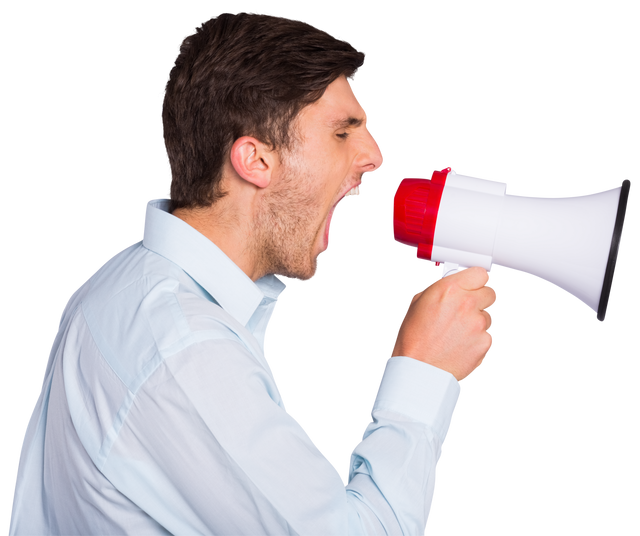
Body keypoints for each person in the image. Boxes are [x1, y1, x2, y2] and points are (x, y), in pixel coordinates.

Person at [7, 8, 497, 535]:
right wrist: (423, 370)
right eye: (342, 132)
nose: (376, 156)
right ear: (255, 160)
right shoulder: (184, 354)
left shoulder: (126, 279)